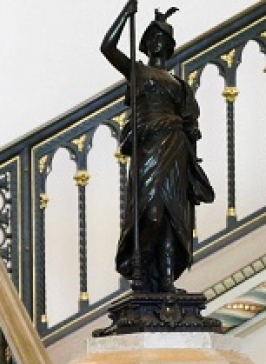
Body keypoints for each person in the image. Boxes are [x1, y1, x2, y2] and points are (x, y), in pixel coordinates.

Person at [101, 1, 213, 293]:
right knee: (151, 212)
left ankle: (165, 279)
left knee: (171, 216)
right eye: (153, 37)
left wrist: (191, 138)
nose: (158, 42)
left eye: (163, 38)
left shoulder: (179, 84)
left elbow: (191, 122)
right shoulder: (137, 71)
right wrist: (126, 14)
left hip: (175, 147)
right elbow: (107, 48)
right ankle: (138, 270)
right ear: (146, 44)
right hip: (148, 147)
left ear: (170, 45)